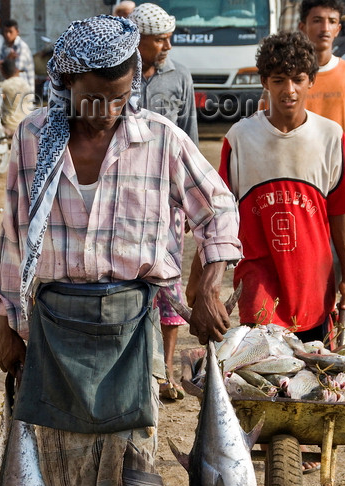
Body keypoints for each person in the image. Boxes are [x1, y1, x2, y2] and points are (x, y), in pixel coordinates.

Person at [0, 15, 241, 486]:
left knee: (138, 477)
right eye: (93, 91)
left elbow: (219, 209)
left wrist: (208, 282)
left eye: (119, 87)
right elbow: (15, 238)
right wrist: (5, 323)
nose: (105, 104)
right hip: (56, 326)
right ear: (65, 84)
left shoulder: (160, 139)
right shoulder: (31, 140)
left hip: (132, 325)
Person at [218, 31, 345, 343]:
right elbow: (219, 214)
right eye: (278, 80)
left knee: (311, 379)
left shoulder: (331, 137)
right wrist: (202, 278)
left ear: (311, 81)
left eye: (297, 79)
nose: (288, 90)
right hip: (258, 280)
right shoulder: (240, 137)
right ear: (265, 81)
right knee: (261, 379)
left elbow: (340, 213)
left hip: (313, 281)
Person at [129, 3, 198, 400]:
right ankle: (138, 371)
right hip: (128, 202)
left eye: (169, 37)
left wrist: (188, 202)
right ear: (138, 41)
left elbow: (189, 137)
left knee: (169, 285)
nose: (167, 45)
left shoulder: (179, 77)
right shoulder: (118, 77)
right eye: (159, 39)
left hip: (168, 204)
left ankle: (166, 372)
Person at [299, 0, 345, 148]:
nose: (325, 28)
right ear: (302, 27)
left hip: (344, 168)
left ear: (338, 29)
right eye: (317, 21)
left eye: (332, 21)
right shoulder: (286, 79)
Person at [0, 19, 35, 90]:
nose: (8, 35)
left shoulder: (21, 47)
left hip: (23, 90)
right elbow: (0, 65)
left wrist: (6, 61)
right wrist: (8, 59)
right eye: (6, 32)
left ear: (17, 32)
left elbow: (14, 71)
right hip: (11, 89)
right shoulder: (4, 46)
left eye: (10, 32)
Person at [0, 58, 30, 135]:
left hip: (12, 126)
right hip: (28, 123)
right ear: (16, 70)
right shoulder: (25, 84)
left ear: (2, 72)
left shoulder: (5, 86)